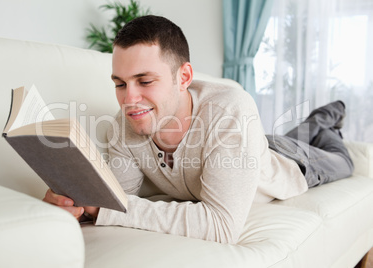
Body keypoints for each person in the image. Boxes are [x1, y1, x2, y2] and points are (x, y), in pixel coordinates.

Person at [43, 15, 354, 244]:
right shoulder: (124, 126)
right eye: (120, 84)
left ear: (184, 76)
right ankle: (318, 121)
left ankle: (327, 118)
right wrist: (80, 206)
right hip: (252, 143)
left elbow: (221, 227)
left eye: (145, 81)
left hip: (291, 163)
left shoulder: (230, 108)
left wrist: (107, 209)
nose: (130, 99)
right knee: (286, 135)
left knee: (343, 158)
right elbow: (116, 201)